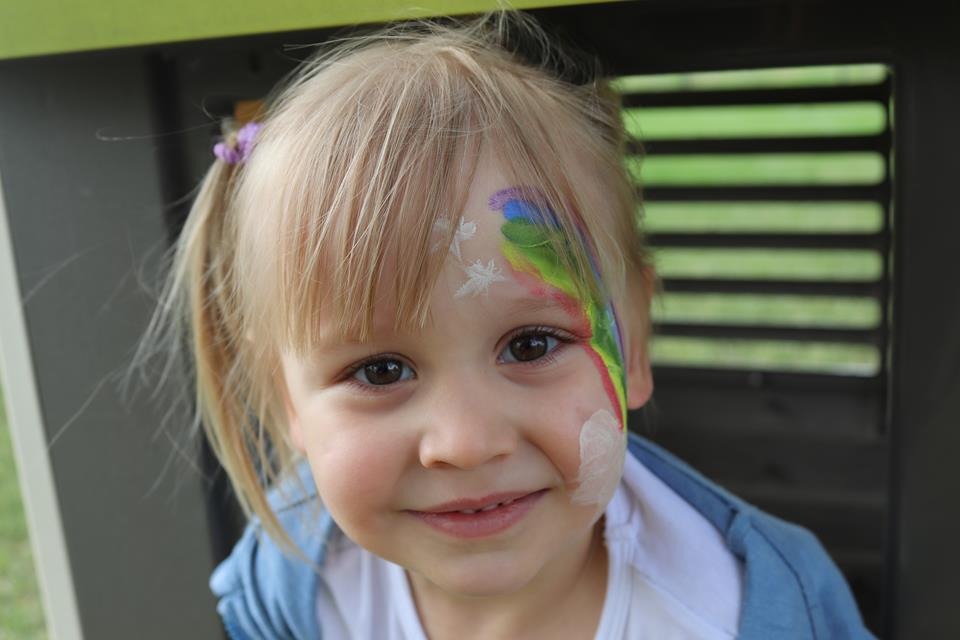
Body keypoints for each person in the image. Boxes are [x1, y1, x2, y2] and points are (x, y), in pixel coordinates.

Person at [147, 12, 875, 640]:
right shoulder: (298, 585)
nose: (465, 443)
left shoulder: (748, 611)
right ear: (286, 399)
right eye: (380, 370)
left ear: (633, 343)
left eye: (531, 345)